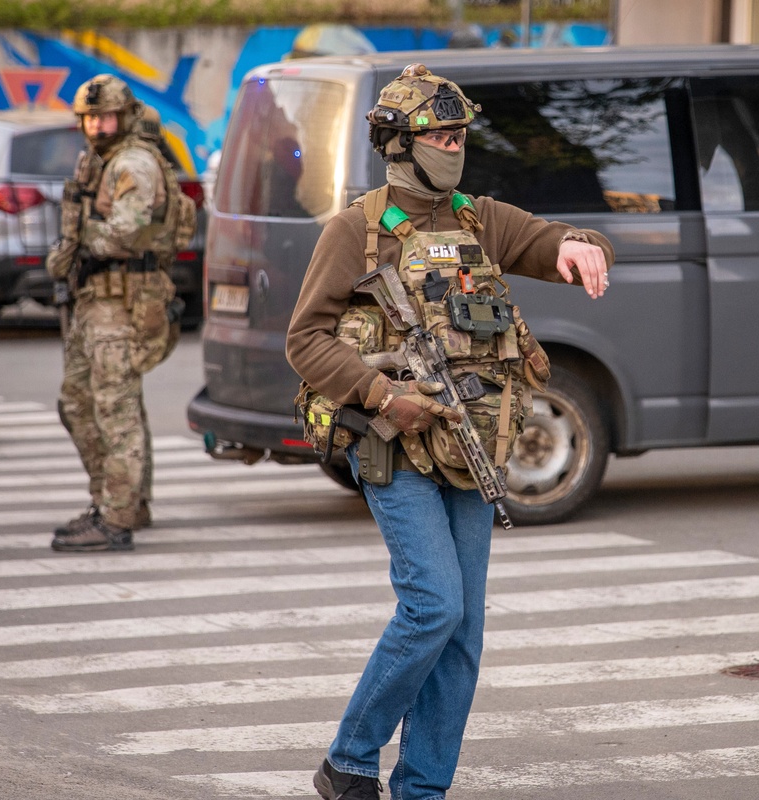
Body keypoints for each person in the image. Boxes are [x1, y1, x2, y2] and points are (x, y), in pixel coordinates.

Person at [285, 64, 613, 800]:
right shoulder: (355, 229)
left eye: (462, 135)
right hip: (390, 445)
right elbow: (305, 340)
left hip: (470, 444)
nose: (455, 147)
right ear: (400, 143)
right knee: (434, 605)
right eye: (441, 135)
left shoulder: (479, 219)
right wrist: (381, 393)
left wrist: (580, 244)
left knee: (463, 631)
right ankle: (349, 761)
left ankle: (423, 790)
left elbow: (552, 241)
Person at [47, 75, 186, 552]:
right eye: (90, 119)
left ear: (125, 117)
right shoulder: (103, 161)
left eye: (106, 118)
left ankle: (117, 517)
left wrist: (79, 240)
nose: (97, 127)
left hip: (122, 304)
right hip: (97, 302)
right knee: (78, 402)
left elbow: (128, 231)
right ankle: (119, 501)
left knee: (114, 410)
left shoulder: (132, 162)